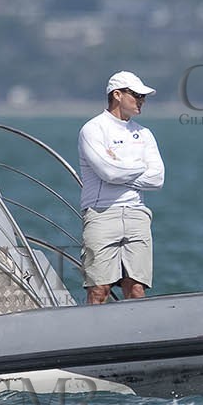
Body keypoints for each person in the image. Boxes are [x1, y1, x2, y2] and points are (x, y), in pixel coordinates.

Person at [78, 71, 165, 304]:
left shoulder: (144, 133)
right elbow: (108, 172)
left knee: (136, 289)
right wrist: (138, 166)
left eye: (143, 97)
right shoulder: (93, 129)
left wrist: (120, 168)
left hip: (137, 214)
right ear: (117, 95)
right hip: (101, 214)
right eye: (136, 95)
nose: (141, 101)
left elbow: (157, 179)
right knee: (99, 290)